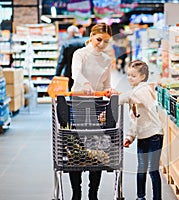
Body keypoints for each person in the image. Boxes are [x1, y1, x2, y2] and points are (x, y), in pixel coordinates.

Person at [69, 22, 113, 200]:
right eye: (99, 39)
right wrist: (85, 83)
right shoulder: (80, 54)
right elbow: (75, 73)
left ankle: (93, 193)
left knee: (96, 150)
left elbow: (107, 84)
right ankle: (76, 193)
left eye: (106, 42)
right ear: (92, 36)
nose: (101, 44)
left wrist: (111, 90)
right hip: (78, 103)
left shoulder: (107, 60)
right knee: (75, 148)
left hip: (97, 105)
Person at [120, 60, 164, 200]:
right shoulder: (135, 93)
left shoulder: (143, 90)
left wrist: (116, 97)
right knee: (141, 168)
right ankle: (140, 197)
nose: (129, 78)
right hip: (142, 136)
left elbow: (130, 96)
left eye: (133, 76)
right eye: (128, 75)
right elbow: (135, 118)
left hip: (154, 135)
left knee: (153, 169)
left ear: (142, 77)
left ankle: (157, 198)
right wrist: (129, 137)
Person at [55, 25, 85, 91]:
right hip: (83, 73)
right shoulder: (84, 43)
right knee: (82, 92)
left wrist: (57, 75)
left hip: (69, 72)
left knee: (72, 91)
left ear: (72, 33)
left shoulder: (66, 44)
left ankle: (72, 100)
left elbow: (61, 61)